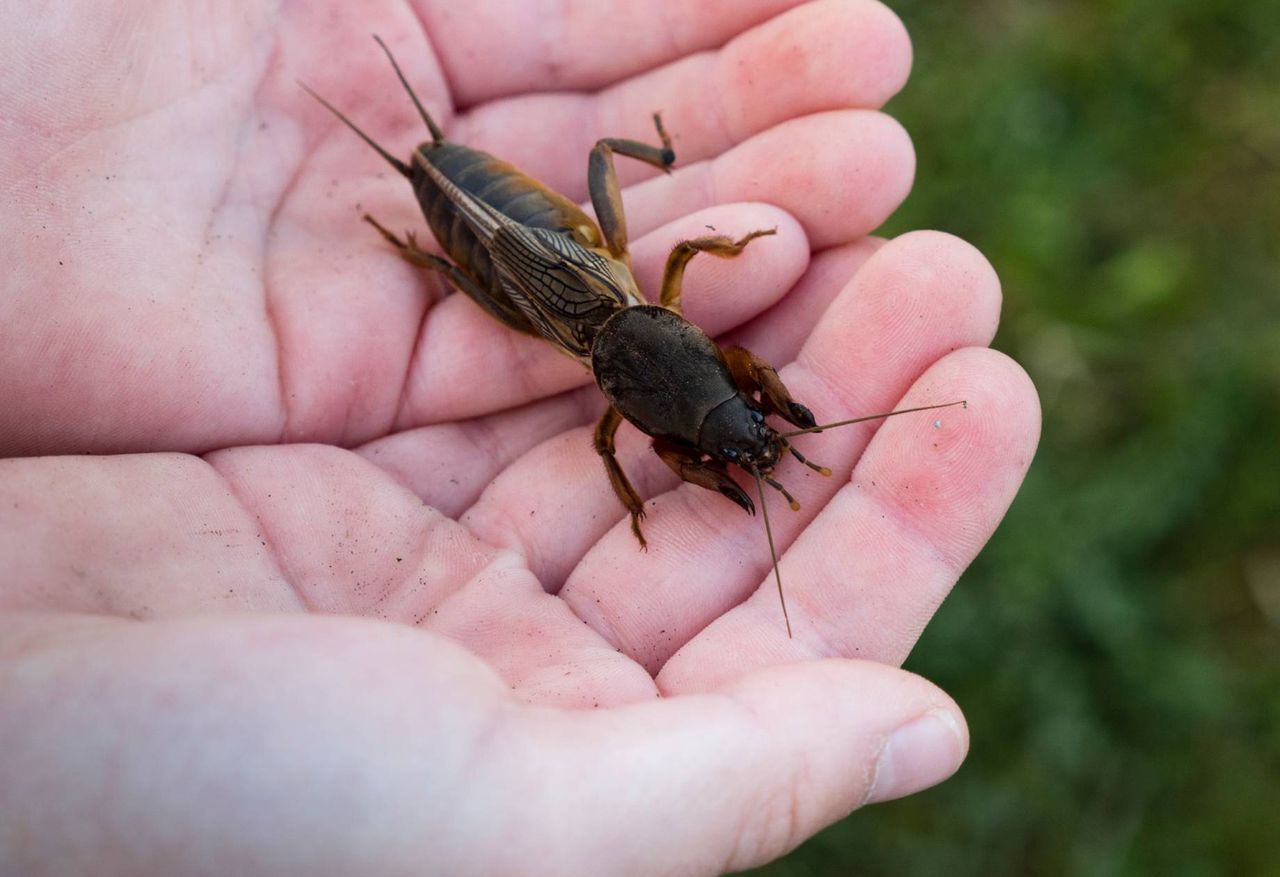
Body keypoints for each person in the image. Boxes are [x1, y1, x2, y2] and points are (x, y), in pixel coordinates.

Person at [0, 1, 1039, 873]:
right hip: (506, 247)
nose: (738, 415)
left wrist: (672, 462)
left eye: (725, 425)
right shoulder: (637, 366)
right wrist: (652, 485)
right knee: (480, 255)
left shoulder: (651, 322)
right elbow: (612, 448)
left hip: (543, 263)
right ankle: (423, 239)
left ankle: (429, 234)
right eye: (738, 413)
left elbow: (619, 441)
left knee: (545, 203)